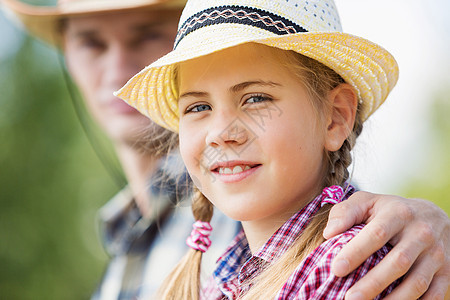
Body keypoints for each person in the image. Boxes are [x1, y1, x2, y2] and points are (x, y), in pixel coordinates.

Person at [3, 0, 449, 299]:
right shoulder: (215, 269)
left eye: (255, 98)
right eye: (197, 106)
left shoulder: (346, 264)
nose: (222, 132)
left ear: (335, 118)